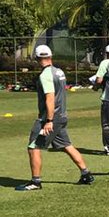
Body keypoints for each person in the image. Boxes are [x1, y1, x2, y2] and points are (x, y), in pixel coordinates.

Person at [18, 45, 94, 190]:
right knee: (66, 145)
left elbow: (50, 97)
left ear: (37, 58)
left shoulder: (45, 75)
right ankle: (86, 174)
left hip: (50, 118)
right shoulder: (59, 72)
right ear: (50, 56)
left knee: (33, 147)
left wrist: (49, 121)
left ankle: (35, 182)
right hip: (62, 115)